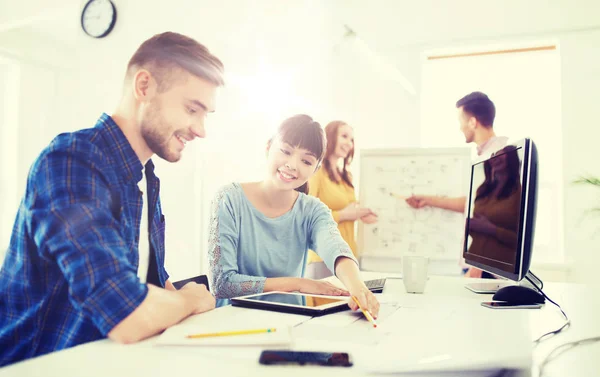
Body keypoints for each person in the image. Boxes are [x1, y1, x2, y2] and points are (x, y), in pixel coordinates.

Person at [0, 32, 224, 366]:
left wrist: (185, 301)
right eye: (193, 109)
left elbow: (153, 282)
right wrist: (193, 299)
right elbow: (125, 313)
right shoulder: (70, 161)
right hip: (38, 365)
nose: (201, 129)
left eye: (206, 114)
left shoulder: (147, 178)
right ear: (144, 86)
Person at [207, 115, 380, 317]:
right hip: (233, 325)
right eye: (286, 151)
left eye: (306, 160)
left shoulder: (312, 210)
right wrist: (298, 284)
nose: (292, 165)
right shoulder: (229, 198)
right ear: (268, 147)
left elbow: (335, 248)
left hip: (290, 323)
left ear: (315, 168)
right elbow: (222, 284)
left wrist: (357, 286)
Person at [405, 91, 508, 278]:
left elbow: (498, 216)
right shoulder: (486, 156)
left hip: (483, 266)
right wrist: (427, 200)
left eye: (461, 120)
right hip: (475, 263)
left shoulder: (498, 156)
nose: (460, 127)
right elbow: (472, 205)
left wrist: (479, 265)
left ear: (472, 122)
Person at [305, 120, 377, 280]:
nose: (349, 143)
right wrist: (345, 215)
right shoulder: (317, 172)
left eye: (351, 139)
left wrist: (359, 214)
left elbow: (349, 210)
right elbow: (307, 217)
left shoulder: (346, 176)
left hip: (348, 256)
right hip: (324, 257)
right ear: (329, 137)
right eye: (344, 136)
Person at [465, 147, 522, 274]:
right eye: (493, 155)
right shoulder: (484, 190)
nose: (494, 158)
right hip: (474, 264)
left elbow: (522, 241)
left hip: (499, 271)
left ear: (511, 160)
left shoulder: (519, 195)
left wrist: (492, 229)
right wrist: (471, 226)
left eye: (500, 155)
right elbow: (478, 231)